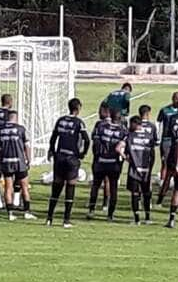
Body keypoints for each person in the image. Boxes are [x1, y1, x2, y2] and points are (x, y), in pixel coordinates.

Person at [46, 98, 90, 229]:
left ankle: (49, 218)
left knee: (56, 187)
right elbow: (87, 140)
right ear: (78, 108)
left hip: (59, 157)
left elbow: (53, 137)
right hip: (72, 158)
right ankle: (66, 220)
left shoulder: (60, 120)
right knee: (70, 187)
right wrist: (82, 154)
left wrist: (52, 151)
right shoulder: (78, 123)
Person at [88, 108, 128, 221]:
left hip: (100, 161)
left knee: (95, 185)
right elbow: (124, 147)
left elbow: (95, 142)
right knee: (113, 187)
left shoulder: (101, 126)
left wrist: (97, 156)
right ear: (120, 119)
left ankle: (91, 210)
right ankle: (110, 214)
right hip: (114, 163)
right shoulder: (123, 131)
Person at [0, 110, 35, 221]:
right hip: (19, 162)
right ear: (16, 118)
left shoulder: (1, 130)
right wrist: (28, 159)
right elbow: (26, 146)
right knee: (24, 186)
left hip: (6, 161)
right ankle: (27, 212)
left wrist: (0, 161)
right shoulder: (21, 129)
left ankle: (10, 213)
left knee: (8, 187)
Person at [157, 98, 178, 205]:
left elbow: (170, 132)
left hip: (174, 148)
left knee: (169, 175)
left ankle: (160, 200)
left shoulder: (173, 118)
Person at [125, 115, 156, 225]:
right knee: (146, 193)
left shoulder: (130, 136)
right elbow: (153, 155)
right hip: (146, 170)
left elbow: (120, 149)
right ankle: (147, 218)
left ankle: (137, 219)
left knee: (135, 193)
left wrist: (127, 159)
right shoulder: (149, 136)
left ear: (135, 124)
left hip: (134, 170)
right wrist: (150, 168)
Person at [156, 92, 178, 187]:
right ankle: (163, 182)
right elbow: (158, 123)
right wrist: (158, 137)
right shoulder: (165, 110)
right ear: (173, 99)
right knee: (165, 162)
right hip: (167, 139)